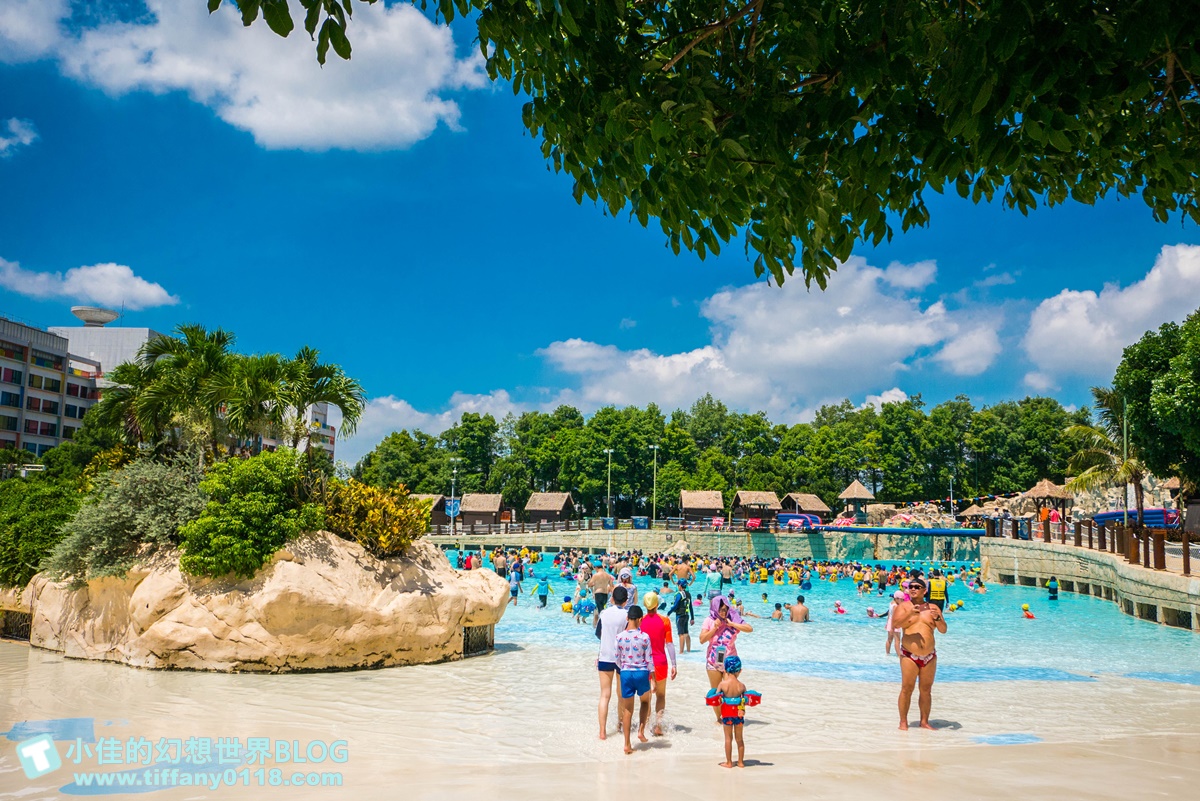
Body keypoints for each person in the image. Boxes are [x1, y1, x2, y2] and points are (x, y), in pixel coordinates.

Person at [891, 577, 947, 731]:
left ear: (925, 590)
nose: (913, 589)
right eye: (911, 586)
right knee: (907, 688)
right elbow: (895, 625)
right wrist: (910, 614)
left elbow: (943, 630)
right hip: (910, 655)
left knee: (926, 690)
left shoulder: (933, 608)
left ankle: (924, 721)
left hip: (929, 656)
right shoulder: (903, 607)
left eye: (917, 586)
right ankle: (903, 722)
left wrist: (938, 619)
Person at [699, 596, 753, 721]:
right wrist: (715, 628)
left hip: (730, 663)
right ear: (715, 608)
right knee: (717, 693)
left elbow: (750, 629)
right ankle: (720, 719)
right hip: (713, 662)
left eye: (725, 609)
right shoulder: (709, 620)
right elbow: (702, 640)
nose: (723, 612)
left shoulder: (732, 618)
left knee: (731, 692)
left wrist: (732, 623)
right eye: (721, 609)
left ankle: (730, 716)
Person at [705, 655, 761, 768]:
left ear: (725, 670)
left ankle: (729, 762)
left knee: (728, 739)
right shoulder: (741, 685)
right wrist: (742, 711)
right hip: (739, 715)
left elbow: (717, 698)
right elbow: (743, 701)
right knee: (739, 739)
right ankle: (740, 762)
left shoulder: (722, 684)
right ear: (740, 671)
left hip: (726, 715)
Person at [614, 604, 653, 754]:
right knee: (645, 701)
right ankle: (641, 731)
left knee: (628, 709)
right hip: (641, 672)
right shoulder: (644, 637)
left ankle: (627, 744)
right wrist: (653, 677)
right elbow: (649, 660)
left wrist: (624, 667)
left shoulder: (619, 637)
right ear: (640, 619)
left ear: (627, 618)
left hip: (626, 673)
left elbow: (616, 659)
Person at [639, 592, 677, 736]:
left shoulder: (640, 620)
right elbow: (669, 644)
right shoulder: (665, 620)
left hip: (643, 664)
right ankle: (658, 725)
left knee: (646, 697)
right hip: (660, 662)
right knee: (660, 695)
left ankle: (645, 726)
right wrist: (674, 664)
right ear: (657, 604)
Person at [595, 585, 630, 740]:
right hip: (622, 658)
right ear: (626, 600)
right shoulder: (627, 615)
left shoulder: (604, 613)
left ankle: (602, 732)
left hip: (605, 656)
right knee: (621, 694)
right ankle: (620, 725)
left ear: (612, 598)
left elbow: (598, 634)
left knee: (605, 695)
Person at [669, 580, 694, 653]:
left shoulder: (679, 594)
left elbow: (675, 605)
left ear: (680, 585)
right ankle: (688, 650)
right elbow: (690, 607)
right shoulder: (688, 594)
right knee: (686, 633)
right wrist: (692, 618)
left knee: (681, 634)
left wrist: (669, 613)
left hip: (680, 615)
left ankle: (681, 652)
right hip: (687, 615)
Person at [885, 590, 905, 655]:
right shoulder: (896, 606)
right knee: (897, 640)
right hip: (895, 623)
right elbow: (895, 616)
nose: (903, 601)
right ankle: (899, 655)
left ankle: (887, 653)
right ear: (897, 598)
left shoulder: (891, 603)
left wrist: (887, 623)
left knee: (889, 639)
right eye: (902, 600)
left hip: (890, 622)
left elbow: (889, 614)